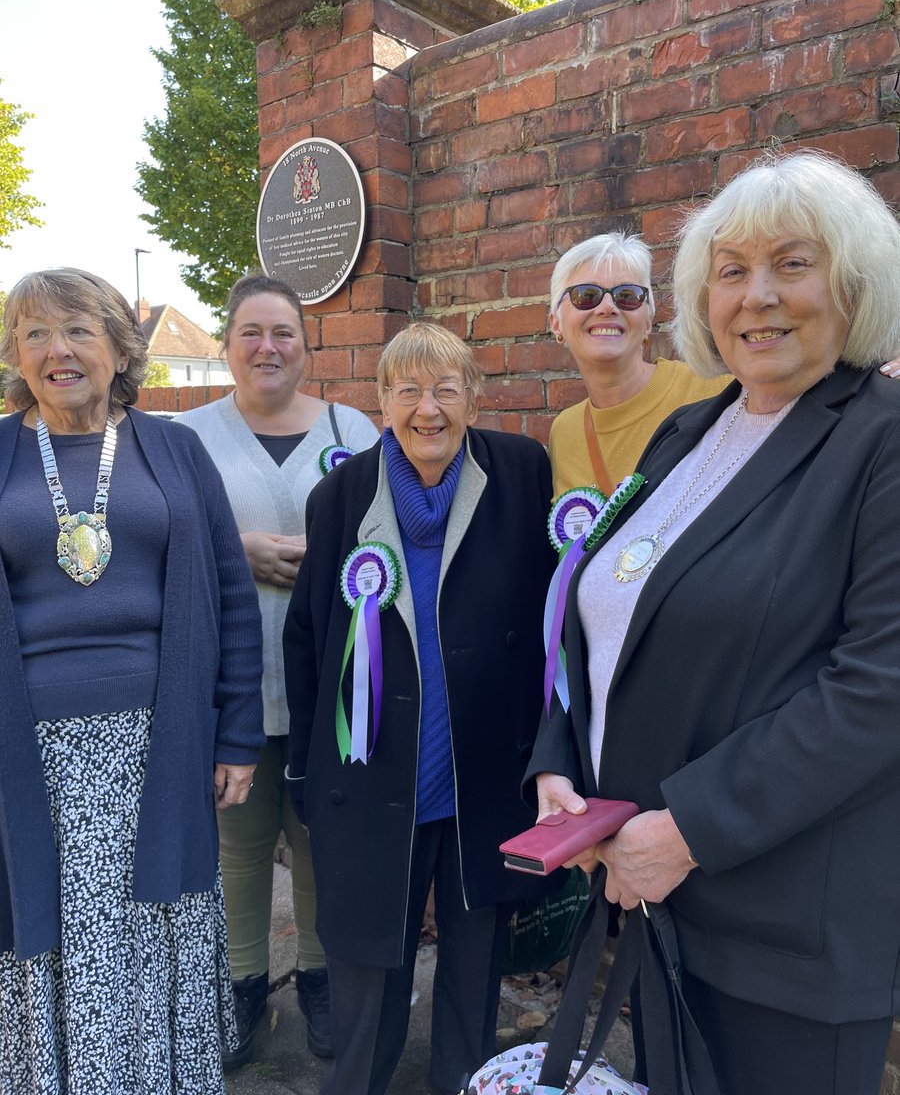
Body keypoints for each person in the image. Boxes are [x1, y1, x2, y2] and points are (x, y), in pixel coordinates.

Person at [528, 151, 900, 1095]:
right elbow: (603, 609)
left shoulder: (881, 436)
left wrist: (689, 827)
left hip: (785, 932)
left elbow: (878, 687)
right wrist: (559, 758)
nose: (757, 295)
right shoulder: (694, 431)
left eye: (792, 263)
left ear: (852, 283)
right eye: (731, 272)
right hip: (662, 905)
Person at [0, 268, 264, 1094]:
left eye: (78, 330)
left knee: (153, 921)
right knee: (58, 926)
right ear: (15, 353)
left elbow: (230, 591)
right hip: (29, 747)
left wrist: (237, 733)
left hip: (165, 736)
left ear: (120, 348)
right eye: (35, 333)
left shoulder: (175, 449)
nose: (58, 350)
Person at [283, 321, 558, 1095]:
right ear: (381, 401)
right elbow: (308, 637)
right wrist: (307, 768)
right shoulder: (339, 498)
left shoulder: (521, 469)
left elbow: (550, 620)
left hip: (483, 769)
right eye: (407, 389)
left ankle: (464, 1081)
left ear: (475, 395)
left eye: (445, 388)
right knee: (369, 958)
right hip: (373, 772)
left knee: (477, 956)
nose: (427, 408)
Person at [182, 273, 379, 1067]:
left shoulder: (353, 427)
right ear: (227, 345)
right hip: (228, 687)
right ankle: (242, 986)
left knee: (322, 843)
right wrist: (240, 550)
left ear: (307, 345)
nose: (268, 347)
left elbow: (391, 530)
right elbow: (157, 539)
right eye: (251, 332)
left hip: (333, 688)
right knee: (238, 846)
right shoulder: (184, 437)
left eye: (284, 333)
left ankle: (321, 980)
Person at [548, 231, 730, 498]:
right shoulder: (564, 432)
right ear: (556, 324)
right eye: (586, 295)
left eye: (627, 295)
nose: (607, 307)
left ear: (647, 322)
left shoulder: (713, 388)